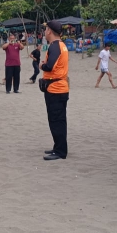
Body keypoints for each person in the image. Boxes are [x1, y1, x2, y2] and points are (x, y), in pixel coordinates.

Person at [41, 21, 70, 160]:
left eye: (46, 29)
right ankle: (58, 146)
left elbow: (49, 66)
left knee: (56, 120)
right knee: (59, 119)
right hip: (60, 87)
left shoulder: (55, 46)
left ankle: (60, 151)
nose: (45, 31)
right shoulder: (61, 45)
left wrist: (42, 65)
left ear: (50, 31)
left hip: (56, 88)